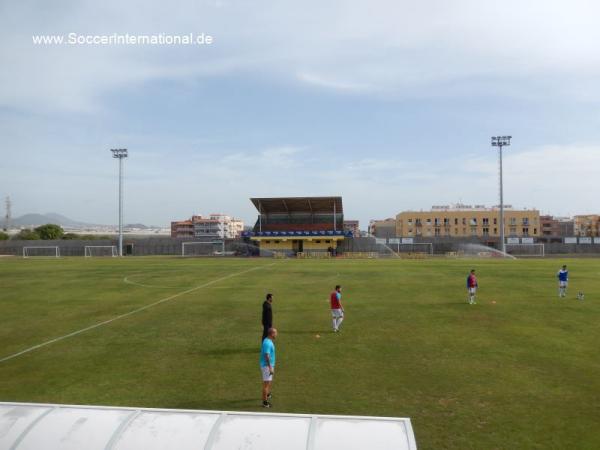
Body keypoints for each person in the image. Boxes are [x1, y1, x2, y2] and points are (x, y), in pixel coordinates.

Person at [260, 327, 277, 408]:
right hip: (267, 366)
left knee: (268, 382)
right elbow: (267, 356)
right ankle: (265, 402)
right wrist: (270, 367)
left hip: (268, 365)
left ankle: (267, 394)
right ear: (272, 334)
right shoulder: (268, 343)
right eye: (275, 333)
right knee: (266, 384)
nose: (276, 334)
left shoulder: (267, 340)